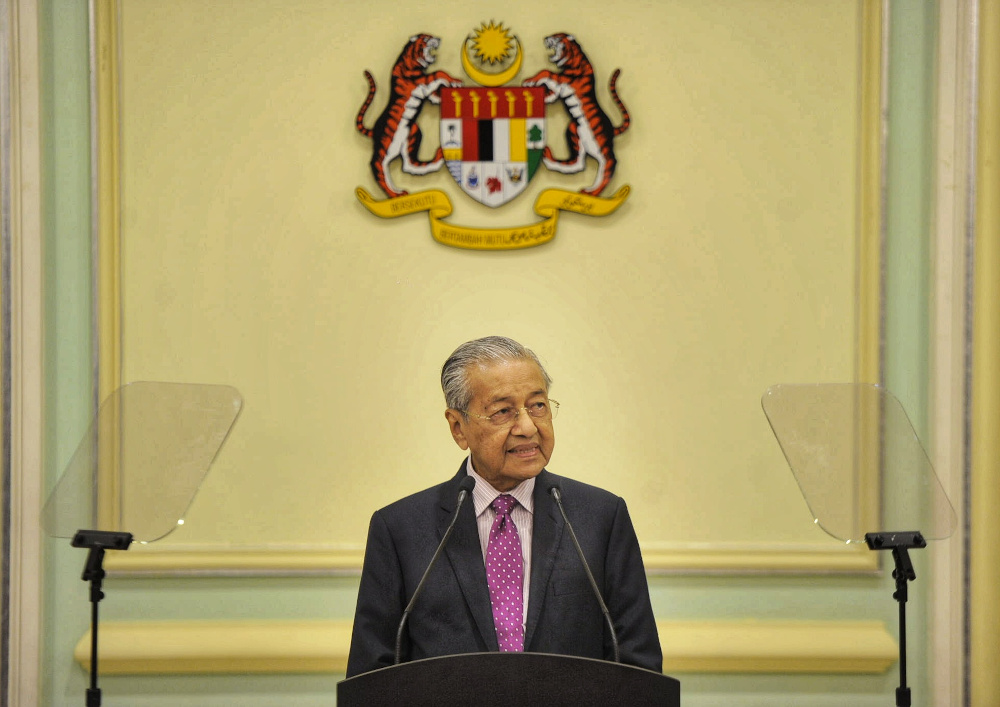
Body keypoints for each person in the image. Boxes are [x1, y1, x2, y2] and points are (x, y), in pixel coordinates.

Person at [346, 336, 662, 676]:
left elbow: (638, 666)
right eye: (502, 411)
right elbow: (372, 677)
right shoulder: (400, 529)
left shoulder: (601, 517)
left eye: (538, 405)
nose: (527, 427)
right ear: (458, 428)